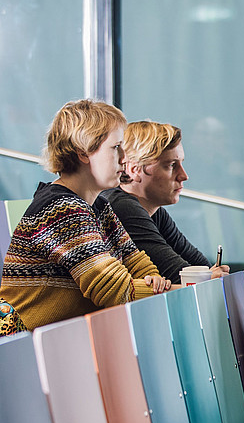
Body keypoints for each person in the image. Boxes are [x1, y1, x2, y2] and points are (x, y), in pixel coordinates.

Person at [0, 100, 170, 330]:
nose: (124, 158)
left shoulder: (98, 206)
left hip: (63, 346)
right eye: (116, 147)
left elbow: (137, 264)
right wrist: (176, 290)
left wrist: (155, 283)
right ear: (83, 152)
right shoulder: (61, 209)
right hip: (26, 353)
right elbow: (115, 292)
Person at [104, 120, 229, 283]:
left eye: (181, 164)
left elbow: (200, 267)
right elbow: (178, 275)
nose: (183, 176)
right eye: (171, 165)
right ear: (134, 169)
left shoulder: (154, 211)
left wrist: (210, 275)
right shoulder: (121, 207)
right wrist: (208, 276)